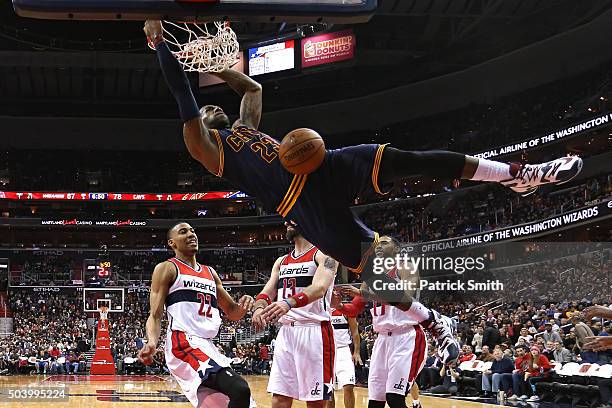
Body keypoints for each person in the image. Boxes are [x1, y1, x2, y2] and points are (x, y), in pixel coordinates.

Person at [143, 19, 582, 365]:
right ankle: (434, 320)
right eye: (207, 108)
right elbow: (183, 95)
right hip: (301, 204)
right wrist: (163, 45)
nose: (213, 106)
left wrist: (215, 65)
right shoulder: (206, 148)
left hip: (321, 165)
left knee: (409, 159)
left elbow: (252, 87)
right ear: (201, 121)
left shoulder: (245, 128)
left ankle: (515, 173)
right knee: (377, 271)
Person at [138, 222, 255, 408]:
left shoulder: (210, 273)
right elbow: (155, 315)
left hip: (207, 345)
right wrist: (152, 342)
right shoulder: (167, 268)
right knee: (240, 389)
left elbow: (233, 312)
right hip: (183, 343)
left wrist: (246, 303)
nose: (191, 234)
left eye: (192, 231)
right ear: (172, 243)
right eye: (183, 232)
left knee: (236, 403)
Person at [251, 222, 338, 408]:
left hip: (314, 332)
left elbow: (320, 288)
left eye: (293, 217)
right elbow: (266, 293)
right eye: (286, 219)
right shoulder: (281, 261)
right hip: (286, 333)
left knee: (316, 400)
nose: (287, 222)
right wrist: (258, 308)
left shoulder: (327, 255)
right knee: (280, 397)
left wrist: (288, 302)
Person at [336, 236, 428, 408]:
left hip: (406, 336)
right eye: (378, 242)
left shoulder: (406, 267)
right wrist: (338, 305)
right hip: (382, 340)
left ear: (396, 249)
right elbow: (354, 309)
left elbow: (404, 299)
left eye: (385, 242)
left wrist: (365, 294)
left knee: (395, 399)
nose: (379, 245)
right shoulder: (370, 275)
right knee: (375, 402)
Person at [328, 291, 361, 408]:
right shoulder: (322, 309)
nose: (337, 296)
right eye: (334, 294)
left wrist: (356, 352)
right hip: (327, 350)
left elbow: (355, 332)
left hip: (343, 350)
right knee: (328, 389)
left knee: (348, 386)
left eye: (339, 294)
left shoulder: (347, 310)